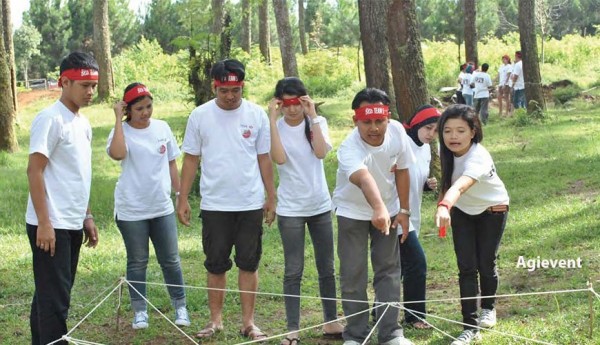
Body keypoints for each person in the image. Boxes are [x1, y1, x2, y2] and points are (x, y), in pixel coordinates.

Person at [177, 59, 276, 342]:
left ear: (242, 86)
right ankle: (215, 320)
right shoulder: (200, 116)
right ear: (214, 87)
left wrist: (271, 196)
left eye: (236, 90)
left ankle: (248, 323)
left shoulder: (256, 115)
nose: (230, 96)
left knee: (249, 263)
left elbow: (264, 158)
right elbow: (191, 159)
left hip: (249, 202)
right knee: (215, 263)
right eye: (224, 90)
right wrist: (182, 198)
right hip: (214, 204)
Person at [25, 51, 99, 345]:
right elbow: (34, 171)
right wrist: (45, 223)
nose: (91, 91)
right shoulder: (50, 119)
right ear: (63, 82)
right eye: (84, 86)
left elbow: (78, 175)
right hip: (50, 224)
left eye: (94, 85)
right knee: (56, 300)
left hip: (71, 221)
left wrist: (87, 215)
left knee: (52, 292)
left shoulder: (83, 123)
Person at [332, 88, 415, 345]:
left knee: (388, 270)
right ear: (355, 120)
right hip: (352, 212)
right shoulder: (348, 148)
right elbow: (364, 178)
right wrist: (377, 208)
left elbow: (402, 171)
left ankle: (390, 333)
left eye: (379, 121)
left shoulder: (398, 133)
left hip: (389, 210)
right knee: (353, 272)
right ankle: (355, 335)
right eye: (366, 122)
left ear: (387, 118)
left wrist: (402, 211)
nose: (374, 128)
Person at [107, 83, 190, 330]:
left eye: (149, 106)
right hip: (131, 209)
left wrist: (179, 196)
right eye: (139, 108)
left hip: (161, 206)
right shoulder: (120, 132)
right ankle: (140, 311)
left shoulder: (162, 127)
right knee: (137, 261)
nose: (145, 112)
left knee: (171, 259)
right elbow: (119, 154)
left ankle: (180, 306)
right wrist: (117, 120)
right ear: (128, 110)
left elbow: (172, 164)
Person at [268, 77, 344, 345]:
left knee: (326, 267)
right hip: (290, 209)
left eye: (296, 102)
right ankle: (292, 329)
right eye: (286, 103)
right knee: (293, 270)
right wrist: (271, 120)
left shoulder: (317, 123)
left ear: (305, 101)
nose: (292, 109)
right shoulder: (275, 128)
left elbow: (321, 153)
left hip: (320, 205)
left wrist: (313, 117)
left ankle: (331, 321)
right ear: (279, 103)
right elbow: (279, 158)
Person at [435, 104, 509, 345]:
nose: (453, 137)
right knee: (466, 267)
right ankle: (470, 326)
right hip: (462, 210)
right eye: (447, 131)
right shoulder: (443, 150)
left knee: (486, 262)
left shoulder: (479, 156)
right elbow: (449, 181)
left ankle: (489, 307)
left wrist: (444, 205)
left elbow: (461, 185)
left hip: (492, 209)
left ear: (473, 132)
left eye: (460, 131)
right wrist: (444, 204)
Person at [400, 105, 441, 329]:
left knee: (395, 268)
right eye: (427, 128)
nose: (430, 134)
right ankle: (415, 316)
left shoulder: (425, 149)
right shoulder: (401, 144)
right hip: (396, 217)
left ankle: (380, 312)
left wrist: (426, 185)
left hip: (412, 217)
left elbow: (413, 179)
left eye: (435, 131)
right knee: (416, 263)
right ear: (416, 124)